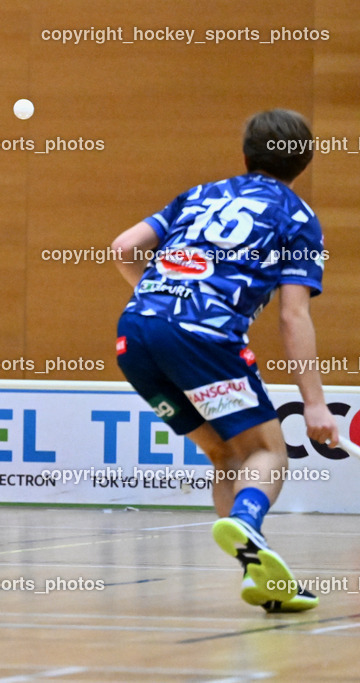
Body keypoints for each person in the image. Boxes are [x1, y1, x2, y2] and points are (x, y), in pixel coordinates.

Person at [111, 109, 337, 612]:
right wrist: (315, 405)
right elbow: (293, 317)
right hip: (202, 337)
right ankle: (249, 522)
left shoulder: (201, 194)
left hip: (136, 335)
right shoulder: (298, 220)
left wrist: (160, 301)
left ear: (245, 154)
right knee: (268, 453)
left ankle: (263, 580)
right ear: (305, 161)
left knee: (228, 455)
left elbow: (124, 247)